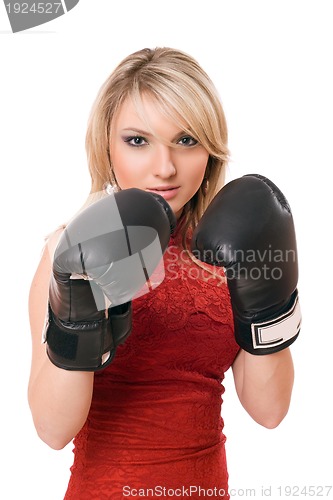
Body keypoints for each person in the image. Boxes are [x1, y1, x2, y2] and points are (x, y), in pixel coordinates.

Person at [28, 47, 301, 499]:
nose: (165, 167)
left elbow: (269, 411)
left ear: (211, 149)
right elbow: (52, 430)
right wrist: (78, 303)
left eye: (186, 139)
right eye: (138, 140)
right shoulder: (68, 251)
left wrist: (272, 298)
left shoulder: (235, 245)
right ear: (107, 146)